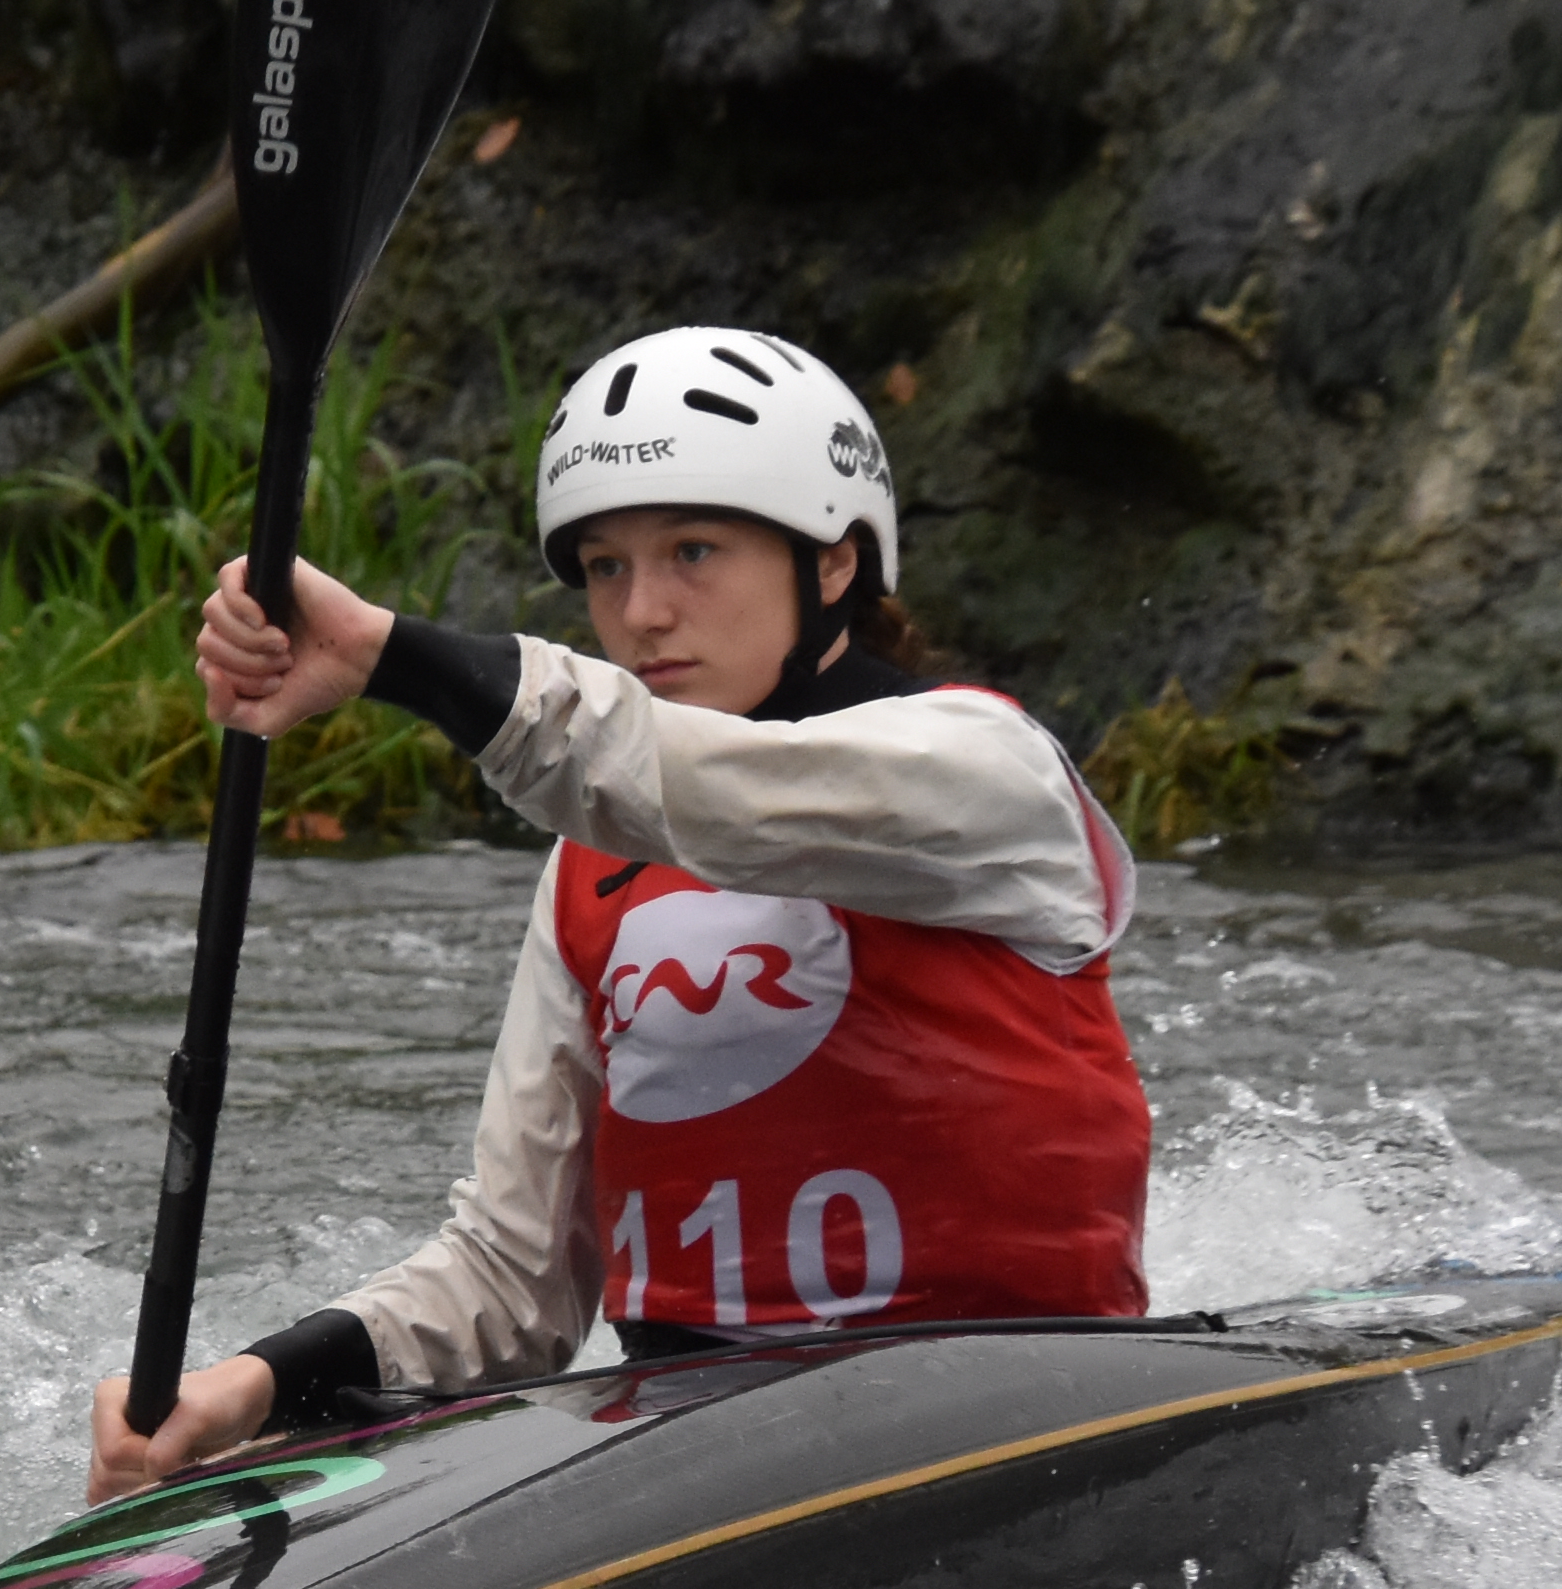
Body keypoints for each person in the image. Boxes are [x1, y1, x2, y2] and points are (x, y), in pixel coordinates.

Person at [87, 325, 1151, 1501]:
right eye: (605, 566)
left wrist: (386, 654)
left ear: (837, 562)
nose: (642, 611)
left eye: (695, 550)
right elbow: (514, 1281)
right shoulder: (593, 865)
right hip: (705, 1443)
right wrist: (254, 1385)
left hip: (1021, 1404)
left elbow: (679, 778)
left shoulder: (983, 771)